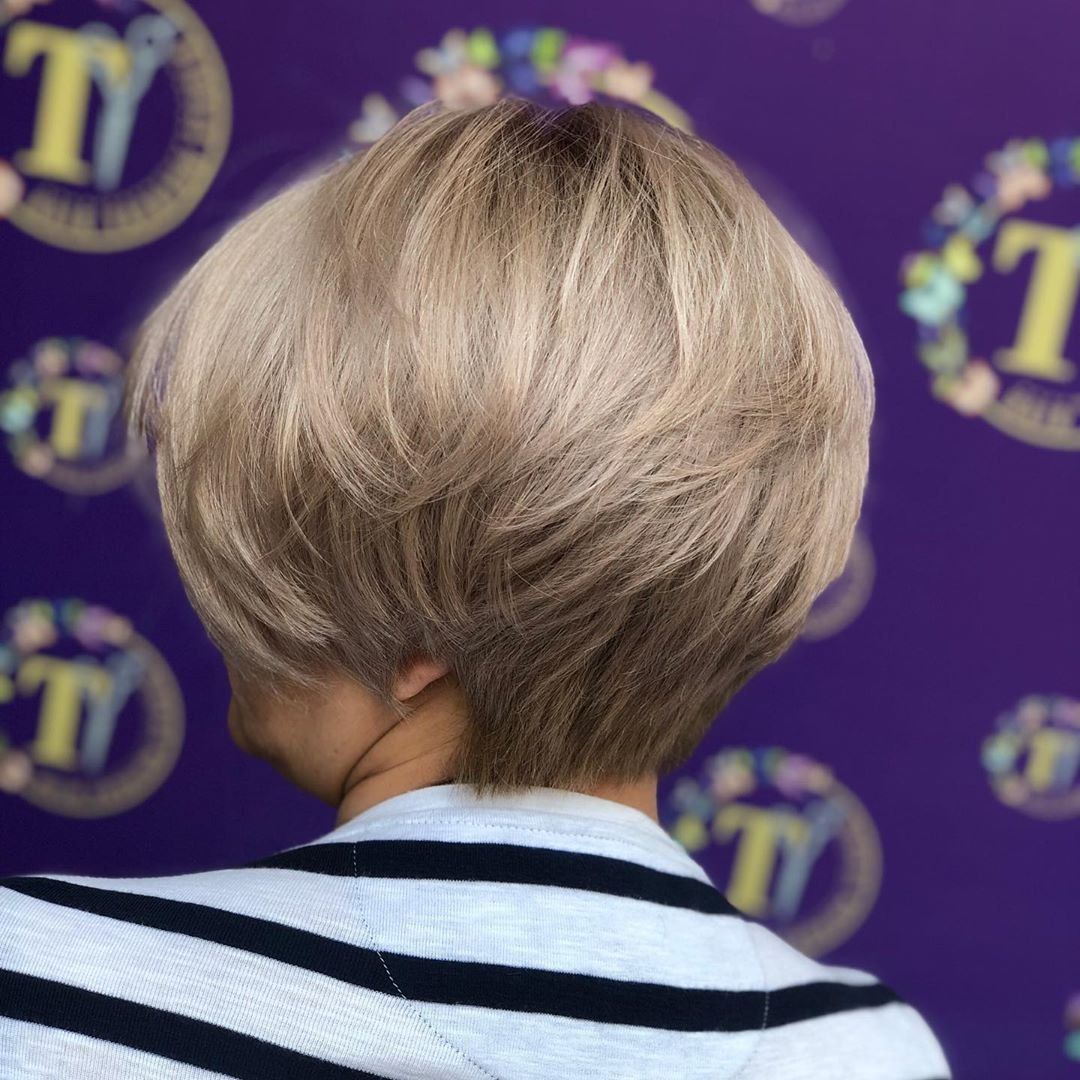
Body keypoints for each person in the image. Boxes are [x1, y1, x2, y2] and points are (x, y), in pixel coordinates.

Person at [0, 97, 951, 1079]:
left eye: (270, 534)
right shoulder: (867, 1050)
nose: (219, 604)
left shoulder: (43, 990)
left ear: (422, 633)